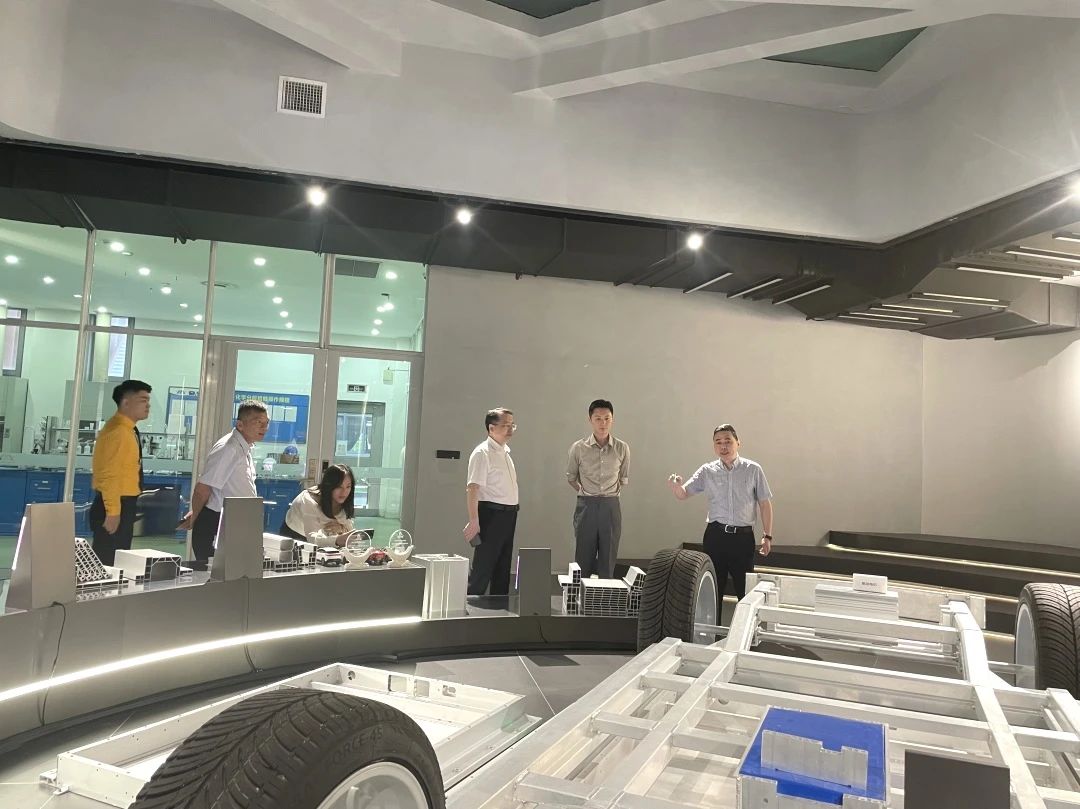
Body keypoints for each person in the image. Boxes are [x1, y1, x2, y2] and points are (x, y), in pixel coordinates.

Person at [667, 424, 773, 601]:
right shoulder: (707, 470)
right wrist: (676, 487)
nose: (723, 446)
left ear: (738, 443)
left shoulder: (753, 469)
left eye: (728, 441)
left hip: (742, 538)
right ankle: (713, 620)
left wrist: (767, 536)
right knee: (712, 592)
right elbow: (683, 494)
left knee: (745, 592)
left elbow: (764, 503)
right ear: (714, 446)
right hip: (716, 536)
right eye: (718, 442)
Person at [178, 399, 269, 561]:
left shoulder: (244, 447)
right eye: (258, 422)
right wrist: (195, 517)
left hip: (233, 521)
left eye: (266, 423)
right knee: (215, 572)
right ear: (240, 425)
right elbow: (202, 489)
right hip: (217, 523)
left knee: (236, 570)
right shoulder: (229, 448)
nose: (264, 427)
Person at [90, 379, 152, 565]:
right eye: (143, 400)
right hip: (115, 504)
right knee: (109, 562)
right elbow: (109, 475)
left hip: (122, 504)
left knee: (117, 559)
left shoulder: (128, 429)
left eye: (148, 400)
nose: (148, 405)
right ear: (126, 402)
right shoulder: (118, 432)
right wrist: (113, 512)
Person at [566, 399, 630, 578]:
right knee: (583, 558)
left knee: (608, 559)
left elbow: (623, 479)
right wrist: (588, 493)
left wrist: (606, 494)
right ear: (590, 420)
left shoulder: (622, 448)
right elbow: (571, 478)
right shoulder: (578, 448)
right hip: (586, 505)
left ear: (612, 419)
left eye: (607, 418)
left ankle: (604, 595)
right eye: (598, 419)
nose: (603, 423)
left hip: (611, 505)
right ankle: (581, 595)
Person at [462, 407, 519, 596]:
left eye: (512, 425)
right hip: (492, 514)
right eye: (505, 425)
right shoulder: (482, 453)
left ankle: (499, 604)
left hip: (509, 514)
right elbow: (473, 488)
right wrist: (474, 520)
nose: (510, 429)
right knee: (484, 564)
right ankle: (471, 602)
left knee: (503, 565)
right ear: (491, 428)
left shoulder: (505, 453)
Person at [280, 463, 355, 547]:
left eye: (348, 487)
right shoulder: (309, 500)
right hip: (295, 535)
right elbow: (312, 538)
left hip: (321, 536)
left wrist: (343, 530)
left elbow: (348, 530)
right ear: (329, 486)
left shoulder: (344, 500)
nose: (344, 492)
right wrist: (337, 540)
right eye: (339, 487)